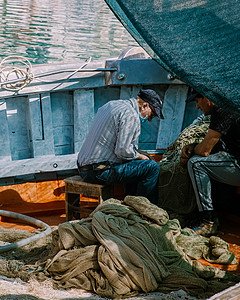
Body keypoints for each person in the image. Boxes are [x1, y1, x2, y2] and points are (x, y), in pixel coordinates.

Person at [77, 89, 164, 204]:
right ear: (145, 105)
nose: (149, 119)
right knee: (151, 167)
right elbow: (122, 151)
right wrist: (140, 156)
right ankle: (146, 209)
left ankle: (131, 204)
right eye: (151, 114)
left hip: (84, 167)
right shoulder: (131, 115)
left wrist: (136, 155)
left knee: (134, 164)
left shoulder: (112, 104)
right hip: (98, 171)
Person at [181, 89, 240, 236]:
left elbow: (205, 150)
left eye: (197, 101)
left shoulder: (221, 109)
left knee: (196, 164)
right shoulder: (230, 104)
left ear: (207, 98)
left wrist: (191, 149)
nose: (197, 107)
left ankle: (208, 222)